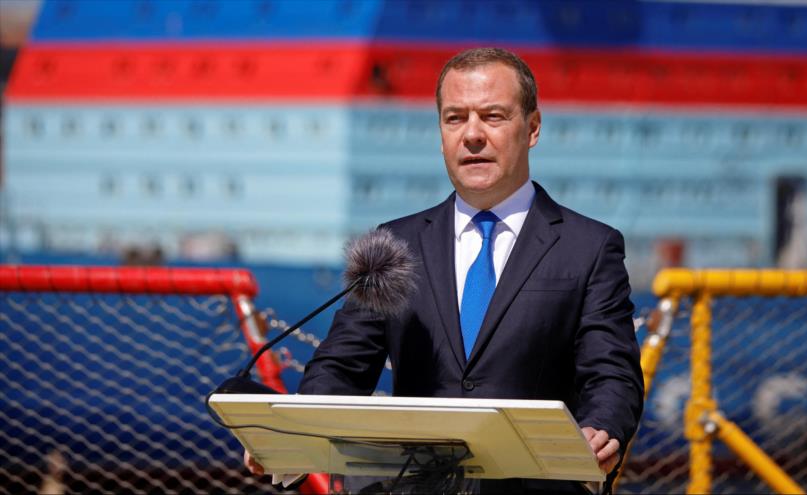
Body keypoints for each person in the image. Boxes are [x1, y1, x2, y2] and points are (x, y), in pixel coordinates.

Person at [249, 47, 644, 494]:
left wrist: (602, 428)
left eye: (493, 116)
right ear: (440, 133)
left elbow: (611, 372)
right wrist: (292, 437)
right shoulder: (393, 245)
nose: (472, 135)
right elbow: (341, 367)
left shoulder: (589, 247)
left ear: (532, 128)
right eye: (455, 118)